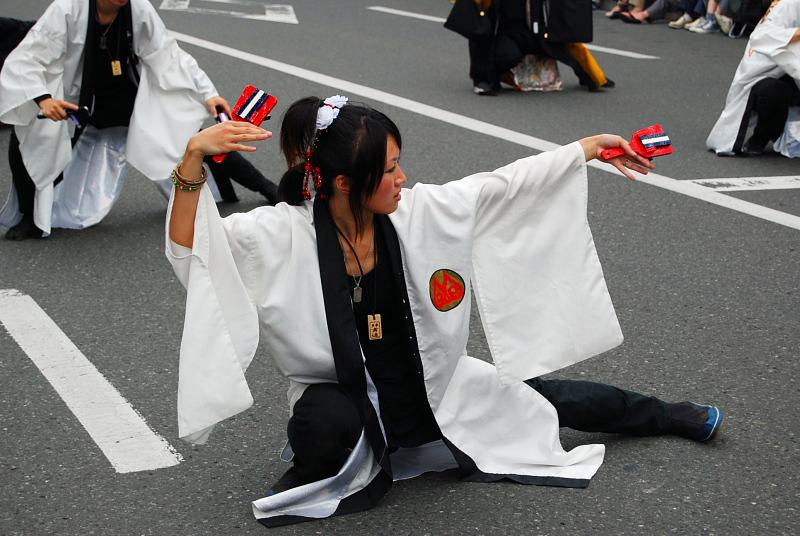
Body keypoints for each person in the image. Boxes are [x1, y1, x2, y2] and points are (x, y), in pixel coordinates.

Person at [166, 96, 726, 526]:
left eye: (398, 163)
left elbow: (501, 186)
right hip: (349, 395)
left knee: (547, 400)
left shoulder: (420, 212)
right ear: (343, 183)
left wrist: (586, 148)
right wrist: (193, 158)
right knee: (321, 426)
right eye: (388, 170)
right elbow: (195, 246)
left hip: (435, 384)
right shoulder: (276, 234)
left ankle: (665, 414)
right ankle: (337, 464)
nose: (402, 178)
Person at [0, 0, 277, 241]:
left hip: (125, 97)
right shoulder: (67, 9)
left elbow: (168, 54)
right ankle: (28, 216)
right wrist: (43, 99)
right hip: (76, 99)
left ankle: (265, 186)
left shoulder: (137, 8)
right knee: (31, 136)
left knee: (192, 138)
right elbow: (28, 57)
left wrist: (209, 94)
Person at [707, 0, 800, 157]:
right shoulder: (788, 4)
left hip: (790, 67)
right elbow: (764, 37)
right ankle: (762, 136)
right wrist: (795, 35)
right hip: (766, 72)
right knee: (773, 91)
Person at [466, 0, 614, 94]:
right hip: (506, 32)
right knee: (505, 54)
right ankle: (485, 79)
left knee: (565, 45)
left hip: (538, 27)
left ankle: (592, 77)